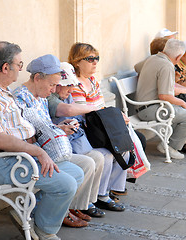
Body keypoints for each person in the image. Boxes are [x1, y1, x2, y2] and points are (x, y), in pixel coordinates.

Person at [0, 41, 83, 240]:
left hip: (21, 157)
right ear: (5, 68)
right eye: (19, 65)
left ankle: (28, 216)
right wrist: (39, 152)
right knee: (66, 185)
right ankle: (45, 232)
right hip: (4, 162)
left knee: (76, 173)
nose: (20, 69)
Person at [12, 54, 106, 228]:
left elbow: (44, 127)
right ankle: (44, 215)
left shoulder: (40, 96)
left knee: (86, 164)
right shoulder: (20, 98)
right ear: (38, 78)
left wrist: (60, 127)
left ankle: (55, 210)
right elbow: (26, 137)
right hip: (34, 157)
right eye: (52, 84)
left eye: (56, 85)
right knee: (79, 169)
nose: (54, 90)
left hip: (48, 151)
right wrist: (55, 131)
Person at [68, 42, 135, 210]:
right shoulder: (74, 84)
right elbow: (87, 113)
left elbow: (101, 108)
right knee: (107, 153)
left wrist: (117, 118)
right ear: (77, 62)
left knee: (127, 144)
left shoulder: (92, 81)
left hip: (100, 126)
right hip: (87, 130)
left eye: (96, 58)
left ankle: (111, 189)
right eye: (90, 59)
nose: (95, 62)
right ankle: (101, 194)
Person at [48, 62, 108, 218]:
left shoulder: (66, 95)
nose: (70, 89)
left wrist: (74, 122)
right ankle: (73, 206)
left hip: (72, 142)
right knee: (90, 161)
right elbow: (66, 111)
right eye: (67, 85)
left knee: (99, 157)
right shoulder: (50, 97)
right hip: (58, 148)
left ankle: (84, 203)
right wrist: (94, 109)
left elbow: (73, 111)